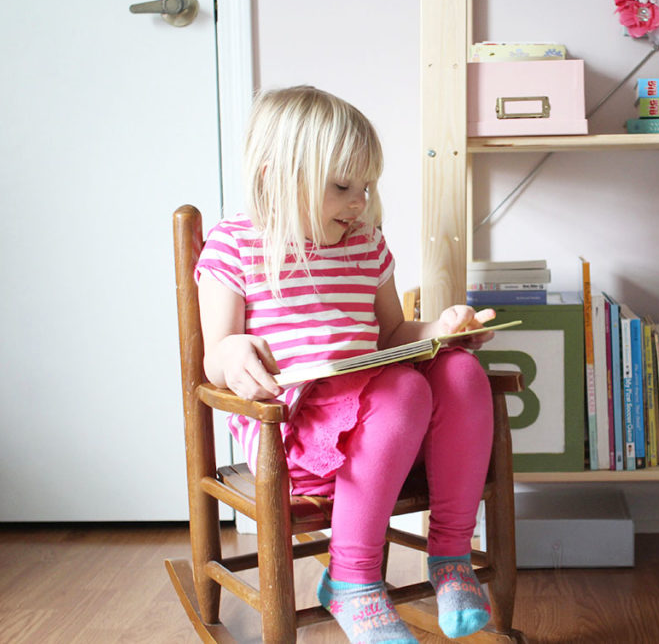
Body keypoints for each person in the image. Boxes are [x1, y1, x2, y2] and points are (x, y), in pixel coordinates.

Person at [196, 86, 497, 643]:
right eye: (342, 187)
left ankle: (451, 556)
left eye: (365, 187)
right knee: (404, 390)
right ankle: (352, 580)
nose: (359, 203)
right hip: (296, 435)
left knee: (461, 372)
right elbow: (216, 353)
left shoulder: (365, 245)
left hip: (388, 431)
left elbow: (394, 335)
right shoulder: (236, 244)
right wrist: (233, 350)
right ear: (273, 176)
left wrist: (443, 328)